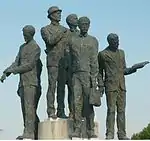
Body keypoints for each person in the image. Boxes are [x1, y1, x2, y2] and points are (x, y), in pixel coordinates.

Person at [97, 33, 149, 140]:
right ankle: (109, 134)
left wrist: (135, 68)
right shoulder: (103, 54)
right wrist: (101, 85)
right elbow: (99, 72)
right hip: (110, 86)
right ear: (110, 42)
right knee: (111, 110)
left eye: (118, 41)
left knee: (121, 110)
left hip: (122, 86)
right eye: (115, 42)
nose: (117, 43)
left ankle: (121, 134)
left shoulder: (122, 53)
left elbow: (124, 70)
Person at [0, 25, 42, 140]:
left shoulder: (35, 47)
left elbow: (29, 65)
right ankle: (31, 131)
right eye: (23, 34)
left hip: (32, 82)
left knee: (29, 108)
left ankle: (30, 132)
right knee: (25, 108)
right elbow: (16, 62)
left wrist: (13, 70)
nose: (24, 36)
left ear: (30, 34)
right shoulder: (22, 47)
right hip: (22, 83)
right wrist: (6, 72)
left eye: (25, 34)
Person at [69, 16, 98, 138]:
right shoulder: (72, 40)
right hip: (76, 75)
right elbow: (70, 58)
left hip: (88, 74)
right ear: (79, 26)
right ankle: (77, 129)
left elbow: (94, 60)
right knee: (76, 102)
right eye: (83, 24)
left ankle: (90, 129)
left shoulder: (93, 40)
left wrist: (94, 79)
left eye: (87, 24)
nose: (85, 26)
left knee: (88, 103)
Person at [41, 6, 67, 119]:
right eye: (57, 13)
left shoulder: (64, 29)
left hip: (64, 61)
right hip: (52, 61)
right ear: (51, 16)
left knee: (62, 87)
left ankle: (61, 111)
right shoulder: (45, 29)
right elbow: (50, 41)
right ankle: (51, 111)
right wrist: (61, 32)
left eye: (60, 13)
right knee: (52, 86)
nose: (59, 15)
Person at [57, 14, 79, 118]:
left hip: (74, 67)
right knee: (61, 90)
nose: (77, 20)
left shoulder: (80, 34)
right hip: (63, 65)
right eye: (75, 19)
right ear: (70, 21)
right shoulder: (65, 33)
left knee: (73, 90)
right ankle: (60, 111)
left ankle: (73, 112)